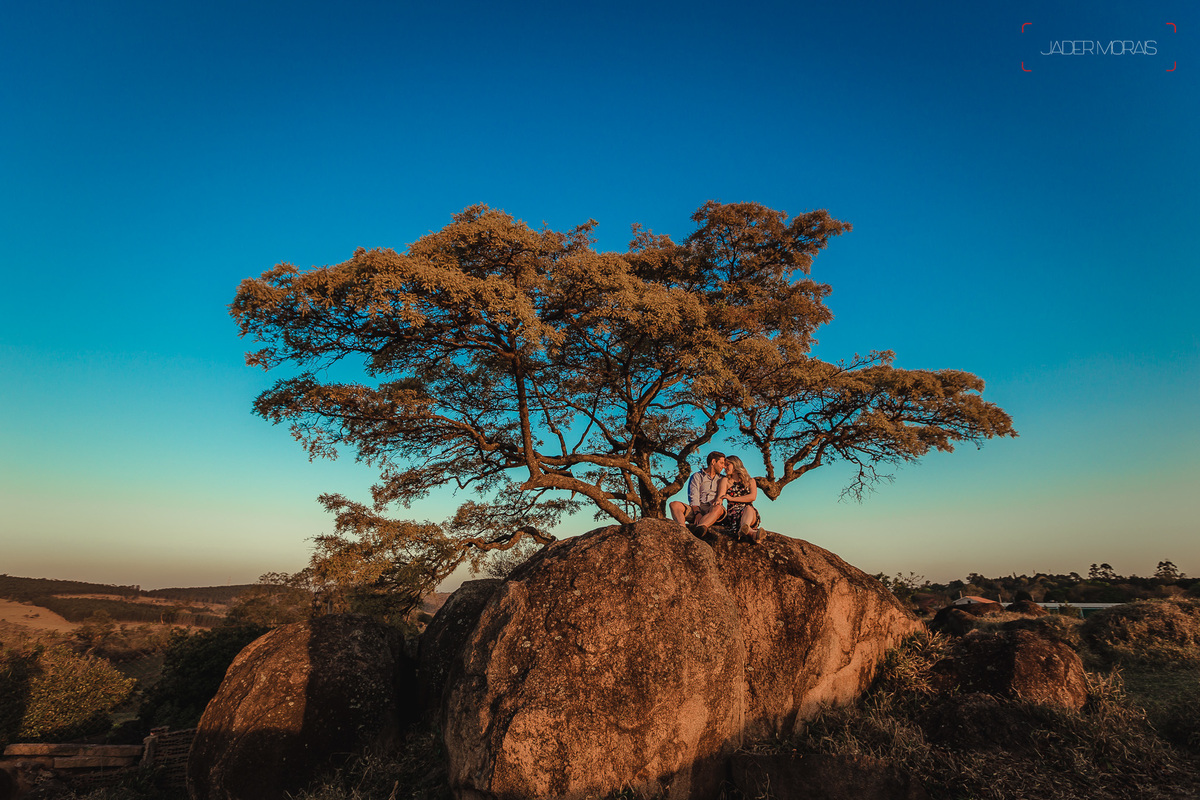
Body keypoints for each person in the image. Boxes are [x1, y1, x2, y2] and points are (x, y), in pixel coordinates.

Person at [668, 451, 727, 537]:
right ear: (713, 462)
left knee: (718, 508)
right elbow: (693, 496)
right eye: (721, 463)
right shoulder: (697, 476)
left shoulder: (723, 479)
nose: (723, 466)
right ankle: (682, 530)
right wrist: (697, 513)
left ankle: (700, 528)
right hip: (697, 508)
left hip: (712, 510)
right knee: (674, 505)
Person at [716, 455, 762, 543]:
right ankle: (751, 533)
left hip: (750, 514)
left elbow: (752, 497)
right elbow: (720, 496)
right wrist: (718, 502)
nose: (725, 467)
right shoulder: (725, 480)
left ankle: (744, 527)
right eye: (724, 465)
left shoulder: (750, 481)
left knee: (748, 508)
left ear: (735, 465)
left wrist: (732, 499)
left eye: (727, 465)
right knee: (746, 513)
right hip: (734, 514)